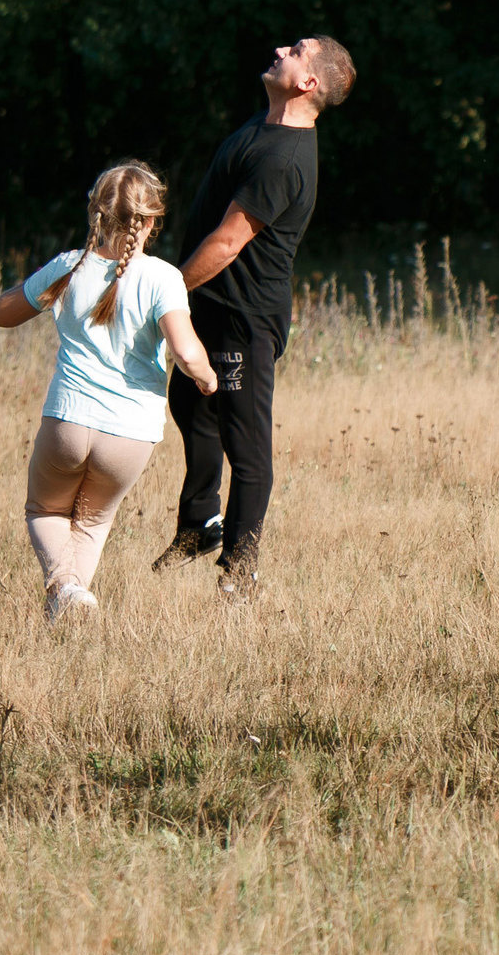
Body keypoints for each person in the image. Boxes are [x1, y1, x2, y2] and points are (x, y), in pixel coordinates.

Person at [150, 36, 355, 598]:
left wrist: (163, 289)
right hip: (214, 307)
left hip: (245, 317)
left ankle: (241, 569)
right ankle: (199, 524)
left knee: (246, 443)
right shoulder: (264, 129)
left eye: (298, 49)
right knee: (190, 401)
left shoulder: (283, 157)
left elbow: (228, 241)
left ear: (308, 82)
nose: (282, 48)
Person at [0, 161, 218, 622]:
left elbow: (1, 313)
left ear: (95, 211)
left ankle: (66, 588)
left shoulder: (67, 268)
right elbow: (186, 351)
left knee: (44, 511)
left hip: (68, 421)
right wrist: (208, 378)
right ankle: (70, 605)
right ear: (151, 221)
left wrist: (37, 286)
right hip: (130, 434)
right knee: (93, 522)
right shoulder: (164, 278)